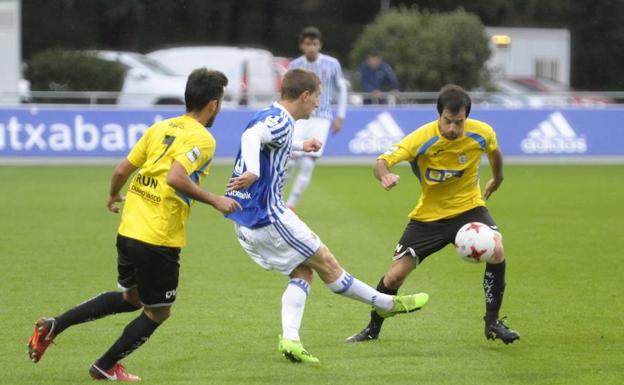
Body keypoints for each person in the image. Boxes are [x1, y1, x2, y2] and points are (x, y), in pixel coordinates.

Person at [27, 68, 241, 381]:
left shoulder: (161, 128)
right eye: (220, 102)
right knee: (158, 312)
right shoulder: (203, 139)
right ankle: (104, 365)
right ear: (213, 104)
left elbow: (121, 169)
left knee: (132, 299)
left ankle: (55, 324)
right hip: (158, 236)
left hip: (129, 227)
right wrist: (216, 199)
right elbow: (176, 177)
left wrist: (114, 194)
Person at [224, 68, 429, 363]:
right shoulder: (281, 120)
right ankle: (385, 303)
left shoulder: (272, 114)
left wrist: (299, 145)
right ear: (305, 96)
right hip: (267, 217)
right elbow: (251, 136)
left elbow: (265, 135)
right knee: (327, 262)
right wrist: (253, 170)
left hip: (246, 219)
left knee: (303, 271)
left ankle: (291, 340)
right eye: (318, 97)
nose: (319, 104)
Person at [346, 84, 520, 345]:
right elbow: (381, 162)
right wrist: (386, 176)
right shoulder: (421, 139)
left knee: (496, 250)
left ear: (466, 118)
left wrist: (498, 177)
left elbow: (494, 152)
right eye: (448, 121)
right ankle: (373, 328)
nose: (453, 128)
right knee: (395, 276)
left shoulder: (481, 133)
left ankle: (492, 322)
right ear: (438, 115)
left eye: (458, 122)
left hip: (469, 208)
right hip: (429, 217)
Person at [285, 26, 348, 210]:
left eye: (314, 44)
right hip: (299, 118)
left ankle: (291, 204)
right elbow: (287, 92)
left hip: (322, 118)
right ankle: (276, 198)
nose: (311, 47)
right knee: (289, 160)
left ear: (319, 45)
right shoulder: (294, 66)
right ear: (301, 46)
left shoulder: (332, 64)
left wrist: (341, 116)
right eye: (307, 44)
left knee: (307, 163)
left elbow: (341, 89)